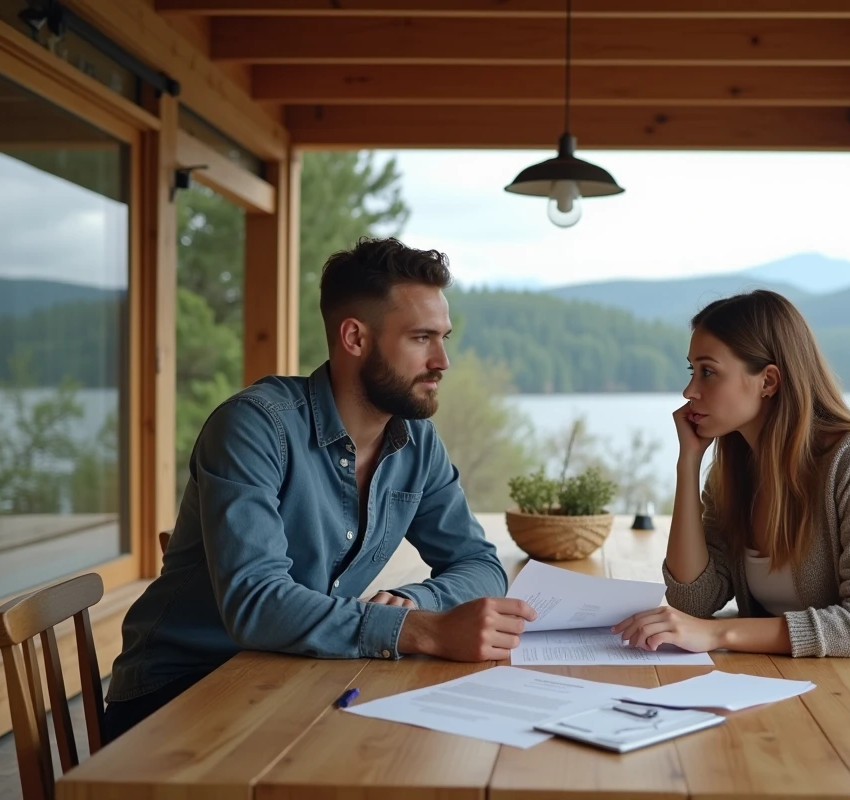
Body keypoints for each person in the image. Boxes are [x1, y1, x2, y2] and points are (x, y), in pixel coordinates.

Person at [104, 237, 535, 741]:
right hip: (182, 690)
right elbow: (257, 602)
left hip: (301, 670)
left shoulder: (416, 439)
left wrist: (411, 602)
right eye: (421, 338)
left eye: (444, 337)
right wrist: (423, 631)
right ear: (355, 338)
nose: (442, 360)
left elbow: (481, 566)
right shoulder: (253, 427)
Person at [613, 290, 850, 771]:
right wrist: (688, 464)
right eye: (691, 371)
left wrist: (719, 636)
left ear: (767, 381)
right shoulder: (733, 471)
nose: (689, 391)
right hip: (809, 700)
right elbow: (693, 600)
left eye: (708, 371)